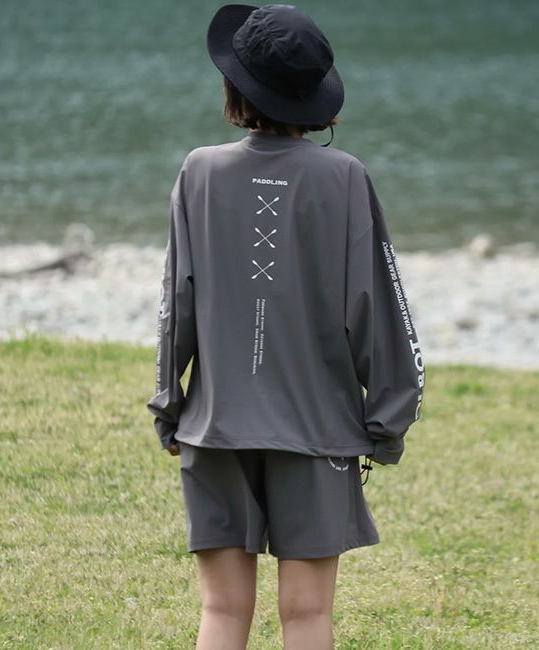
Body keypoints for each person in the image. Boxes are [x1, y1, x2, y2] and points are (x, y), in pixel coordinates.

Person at [146, 4, 426, 649]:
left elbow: (175, 302)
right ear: (315, 96)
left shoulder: (198, 171)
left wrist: (170, 408)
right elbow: (376, 306)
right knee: (306, 617)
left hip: (215, 429)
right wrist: (387, 424)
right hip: (316, 433)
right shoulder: (344, 177)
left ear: (235, 87)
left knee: (221, 611)